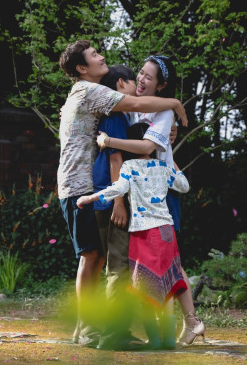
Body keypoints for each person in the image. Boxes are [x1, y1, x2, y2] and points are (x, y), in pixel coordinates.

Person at [56, 40, 187, 346]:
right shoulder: (95, 94)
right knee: (98, 258)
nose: (101, 56)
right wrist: (174, 104)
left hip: (91, 187)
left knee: (98, 257)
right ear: (82, 68)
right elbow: (135, 111)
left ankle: (87, 329)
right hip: (84, 188)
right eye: (94, 55)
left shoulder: (89, 95)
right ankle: (99, 331)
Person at [96, 55, 205, 345]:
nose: (142, 80)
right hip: (139, 189)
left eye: (149, 77)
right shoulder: (134, 106)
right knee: (148, 262)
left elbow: (146, 147)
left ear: (161, 85)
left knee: (169, 261)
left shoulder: (163, 112)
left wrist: (109, 141)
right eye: (141, 73)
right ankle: (163, 332)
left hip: (161, 190)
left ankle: (191, 321)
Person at [76, 122, 196, 349]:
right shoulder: (164, 167)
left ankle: (155, 341)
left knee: (144, 284)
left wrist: (91, 198)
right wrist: (171, 160)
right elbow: (184, 186)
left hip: (143, 232)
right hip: (165, 230)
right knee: (167, 280)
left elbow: (117, 189)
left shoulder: (129, 166)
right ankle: (168, 340)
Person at [91, 65, 139, 350]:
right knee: (118, 266)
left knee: (116, 265)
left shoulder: (112, 115)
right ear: (121, 83)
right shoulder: (116, 115)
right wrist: (119, 201)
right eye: (134, 81)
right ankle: (112, 336)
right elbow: (115, 159)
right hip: (111, 197)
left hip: (104, 195)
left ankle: (119, 330)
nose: (138, 86)